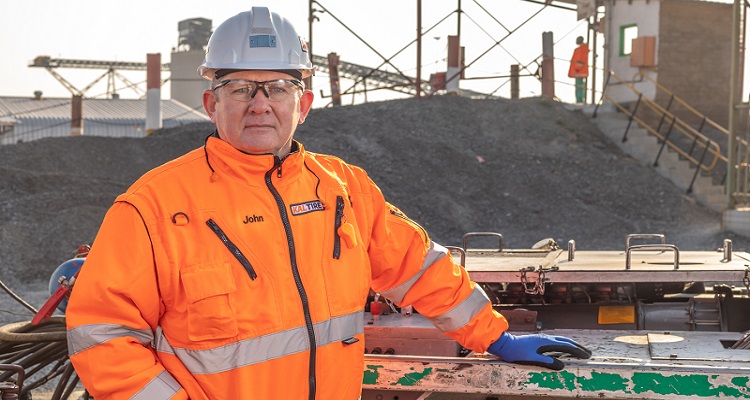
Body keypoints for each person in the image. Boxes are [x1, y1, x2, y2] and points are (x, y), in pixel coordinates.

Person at [66, 6, 591, 399]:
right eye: (240, 87)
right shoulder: (153, 207)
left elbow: (419, 267)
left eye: (277, 87)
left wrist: (495, 337)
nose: (260, 104)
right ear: (211, 103)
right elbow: (102, 339)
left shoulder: (343, 189)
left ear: (305, 104)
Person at [568, 36, 590, 104]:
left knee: (579, 86)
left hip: (579, 71)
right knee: (580, 86)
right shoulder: (581, 49)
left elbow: (580, 60)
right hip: (580, 71)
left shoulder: (581, 49)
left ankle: (579, 100)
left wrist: (577, 68)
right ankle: (579, 99)